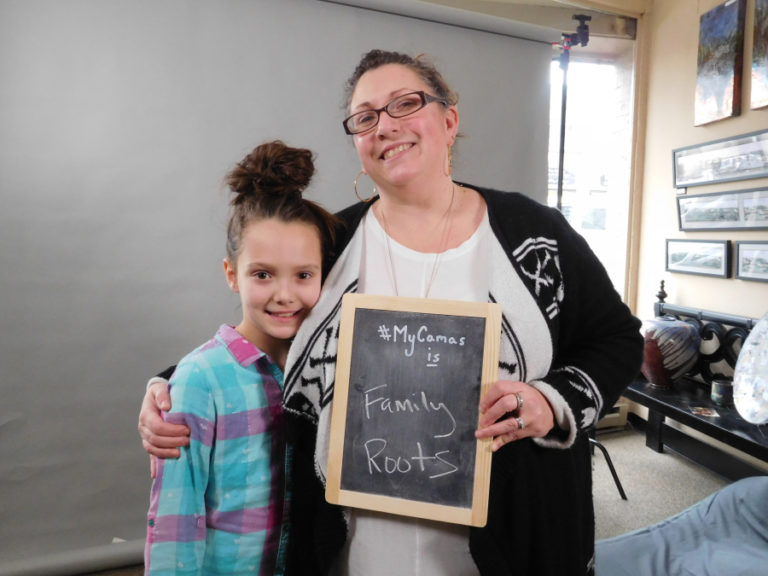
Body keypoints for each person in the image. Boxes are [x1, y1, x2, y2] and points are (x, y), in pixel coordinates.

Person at [139, 50, 643, 576]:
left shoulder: (535, 233)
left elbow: (618, 339)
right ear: (358, 144)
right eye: (365, 117)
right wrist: (171, 387)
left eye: (405, 104)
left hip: (513, 538)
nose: (385, 126)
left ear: (449, 122)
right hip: (357, 545)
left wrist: (549, 401)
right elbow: (270, 328)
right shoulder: (329, 242)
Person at [143, 140, 339, 575]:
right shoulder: (199, 381)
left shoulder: (326, 369)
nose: (284, 295)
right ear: (232, 274)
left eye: (303, 275)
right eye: (263, 274)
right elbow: (176, 521)